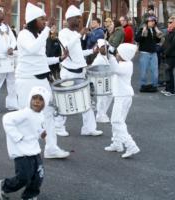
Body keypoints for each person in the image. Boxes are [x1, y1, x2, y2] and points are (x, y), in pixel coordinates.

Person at [15, 3, 70, 159]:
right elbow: (32, 49)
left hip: (41, 80)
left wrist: (59, 58)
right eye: (42, 19)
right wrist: (47, 31)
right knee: (26, 115)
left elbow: (41, 59)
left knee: (48, 114)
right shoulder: (24, 35)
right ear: (33, 20)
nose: (44, 23)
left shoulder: (38, 36)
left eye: (45, 20)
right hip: (27, 80)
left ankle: (51, 148)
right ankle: (22, 147)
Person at [55, 5, 103, 137]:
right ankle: (58, 127)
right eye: (78, 18)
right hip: (68, 72)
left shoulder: (75, 34)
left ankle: (89, 128)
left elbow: (77, 52)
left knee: (85, 100)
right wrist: (79, 35)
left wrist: (91, 51)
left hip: (80, 72)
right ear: (70, 19)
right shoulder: (63, 33)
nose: (80, 21)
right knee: (65, 100)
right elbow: (66, 47)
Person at [0, 86, 49, 200]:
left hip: (34, 149)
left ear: (45, 102)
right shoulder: (25, 113)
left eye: (41, 99)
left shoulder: (40, 115)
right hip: (21, 150)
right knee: (24, 177)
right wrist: (17, 136)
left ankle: (30, 195)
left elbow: (38, 126)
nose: (36, 101)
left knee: (38, 175)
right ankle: (5, 186)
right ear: (29, 99)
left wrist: (42, 133)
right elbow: (6, 119)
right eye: (34, 98)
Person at [104, 43, 140, 158]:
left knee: (116, 121)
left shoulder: (125, 66)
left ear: (124, 55)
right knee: (119, 121)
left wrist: (110, 56)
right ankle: (117, 143)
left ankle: (131, 146)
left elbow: (114, 69)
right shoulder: (126, 63)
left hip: (122, 97)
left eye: (119, 52)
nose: (117, 54)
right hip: (123, 96)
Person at [135, 16, 163, 93]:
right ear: (147, 22)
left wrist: (158, 35)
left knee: (155, 71)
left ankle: (154, 85)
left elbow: (157, 41)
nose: (153, 22)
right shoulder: (142, 29)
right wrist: (143, 33)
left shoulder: (154, 30)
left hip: (153, 53)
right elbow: (137, 39)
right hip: (145, 53)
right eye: (151, 21)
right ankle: (143, 85)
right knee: (144, 71)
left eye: (154, 21)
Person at [161, 16, 175, 97]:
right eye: (168, 22)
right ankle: (167, 88)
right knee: (167, 72)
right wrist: (162, 50)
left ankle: (171, 90)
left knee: (169, 72)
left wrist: (165, 52)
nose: (169, 24)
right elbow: (165, 43)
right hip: (167, 55)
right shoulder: (170, 32)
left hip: (173, 55)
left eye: (171, 22)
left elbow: (173, 45)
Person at [92, 39, 113, 123]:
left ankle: (103, 113)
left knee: (109, 96)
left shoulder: (108, 57)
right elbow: (92, 69)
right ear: (99, 49)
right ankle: (99, 115)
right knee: (101, 98)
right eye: (102, 47)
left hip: (107, 80)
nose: (105, 49)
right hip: (100, 81)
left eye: (106, 47)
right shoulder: (98, 59)